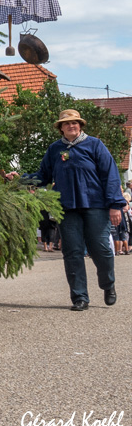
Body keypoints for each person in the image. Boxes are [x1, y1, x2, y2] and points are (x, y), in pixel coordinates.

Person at [31, 109, 126, 311]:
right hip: (67, 208)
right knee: (72, 252)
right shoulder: (55, 149)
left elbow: (110, 176)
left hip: (96, 206)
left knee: (101, 249)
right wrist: (21, 178)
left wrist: (115, 205)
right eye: (67, 124)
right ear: (61, 128)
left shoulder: (95, 145)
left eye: (75, 123)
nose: (71, 126)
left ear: (80, 125)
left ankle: (108, 285)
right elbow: (43, 175)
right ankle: (80, 297)